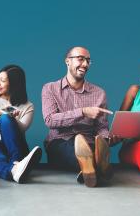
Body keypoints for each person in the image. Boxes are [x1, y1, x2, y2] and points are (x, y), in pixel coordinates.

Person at [42, 46, 112, 187]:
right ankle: (97, 167)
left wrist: (106, 138)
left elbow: (102, 126)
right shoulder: (50, 88)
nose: (85, 64)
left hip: (89, 141)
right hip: (60, 141)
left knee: (93, 147)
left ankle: (90, 167)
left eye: (88, 61)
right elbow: (50, 120)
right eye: (81, 59)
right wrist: (83, 112)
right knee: (74, 151)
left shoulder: (99, 93)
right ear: (67, 61)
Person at [0, 65, 42, 183]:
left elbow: (22, 128)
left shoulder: (28, 106)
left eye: (2, 81)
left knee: (6, 119)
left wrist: (9, 114)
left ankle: (15, 162)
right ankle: (14, 169)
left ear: (14, 84)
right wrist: (7, 111)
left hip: (16, 146)